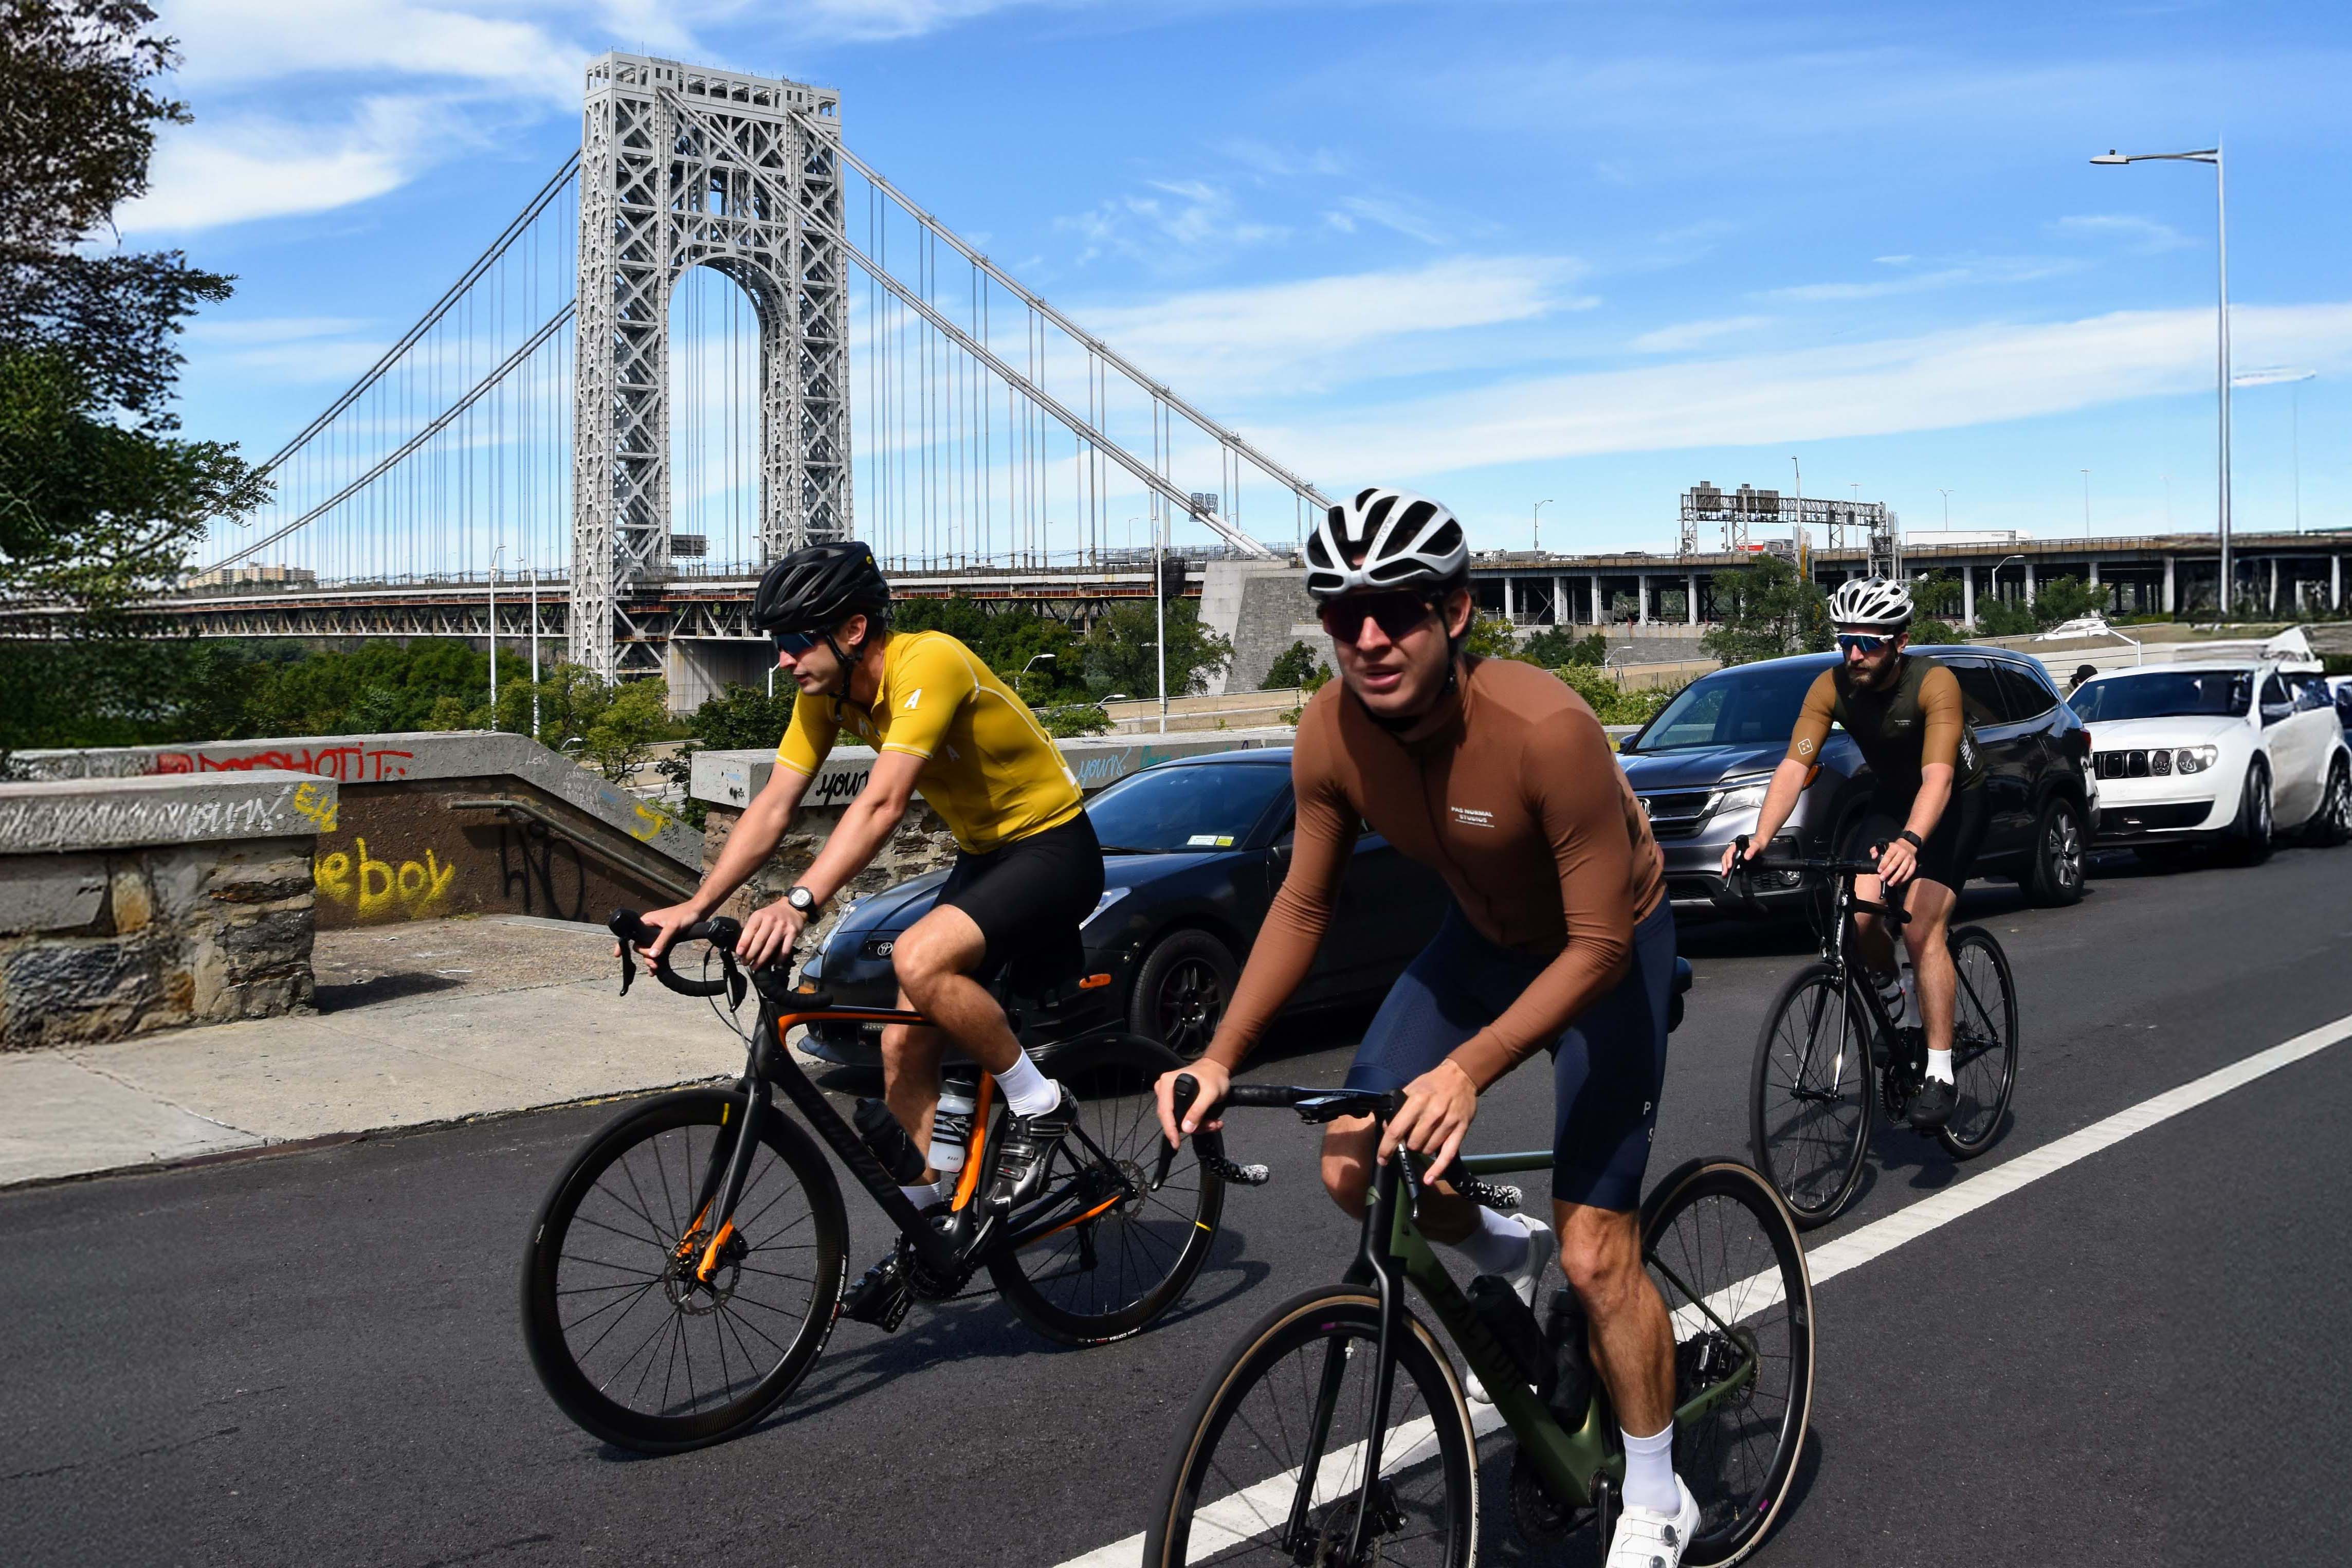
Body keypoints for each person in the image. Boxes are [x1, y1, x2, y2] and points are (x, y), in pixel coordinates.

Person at [1152, 488, 1697, 1565]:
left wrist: (1467, 1067)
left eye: (1393, 610)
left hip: (1608, 945)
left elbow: (1590, 948)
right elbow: (1303, 906)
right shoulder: (1328, 731)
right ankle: (1500, 1247)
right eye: (1339, 611)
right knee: (1352, 1160)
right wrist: (1217, 1054)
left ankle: (1655, 1493)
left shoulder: (1548, 731)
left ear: (1454, 611)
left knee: (1594, 1257)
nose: (1365, 637)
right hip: (1481, 941)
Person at [622, 540, 1104, 1323]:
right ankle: (933, 1227)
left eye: (792, 641)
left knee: (919, 957)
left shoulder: (930, 662)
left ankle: (1039, 1101)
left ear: (852, 629)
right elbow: (773, 808)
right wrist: (692, 901)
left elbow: (881, 806)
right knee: (896, 1042)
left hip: (1053, 845)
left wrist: (801, 901)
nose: (779, 660)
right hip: (986, 855)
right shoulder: (828, 695)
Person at [1723, 576, 1988, 1131]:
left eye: (1869, 642)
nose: (1854, 654)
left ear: (1900, 641)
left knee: (1920, 927)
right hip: (1894, 797)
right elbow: (1794, 766)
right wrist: (1760, 837)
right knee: (1862, 909)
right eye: (1846, 641)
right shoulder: (1830, 685)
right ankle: (1900, 1005)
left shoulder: (1933, 683)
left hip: (1955, 800)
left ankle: (1940, 1072)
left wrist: (1912, 842)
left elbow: (1938, 778)